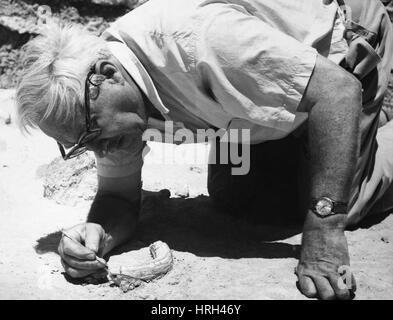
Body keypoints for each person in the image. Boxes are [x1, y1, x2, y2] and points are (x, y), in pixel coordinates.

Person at [15, 0, 393, 300]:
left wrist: (326, 228)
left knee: (333, 204)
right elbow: (117, 198)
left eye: (92, 135)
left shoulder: (201, 43)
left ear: (107, 74)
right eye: (81, 146)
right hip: (257, 93)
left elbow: (337, 91)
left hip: (342, 52)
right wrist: (98, 232)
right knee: (237, 198)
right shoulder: (107, 112)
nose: (98, 149)